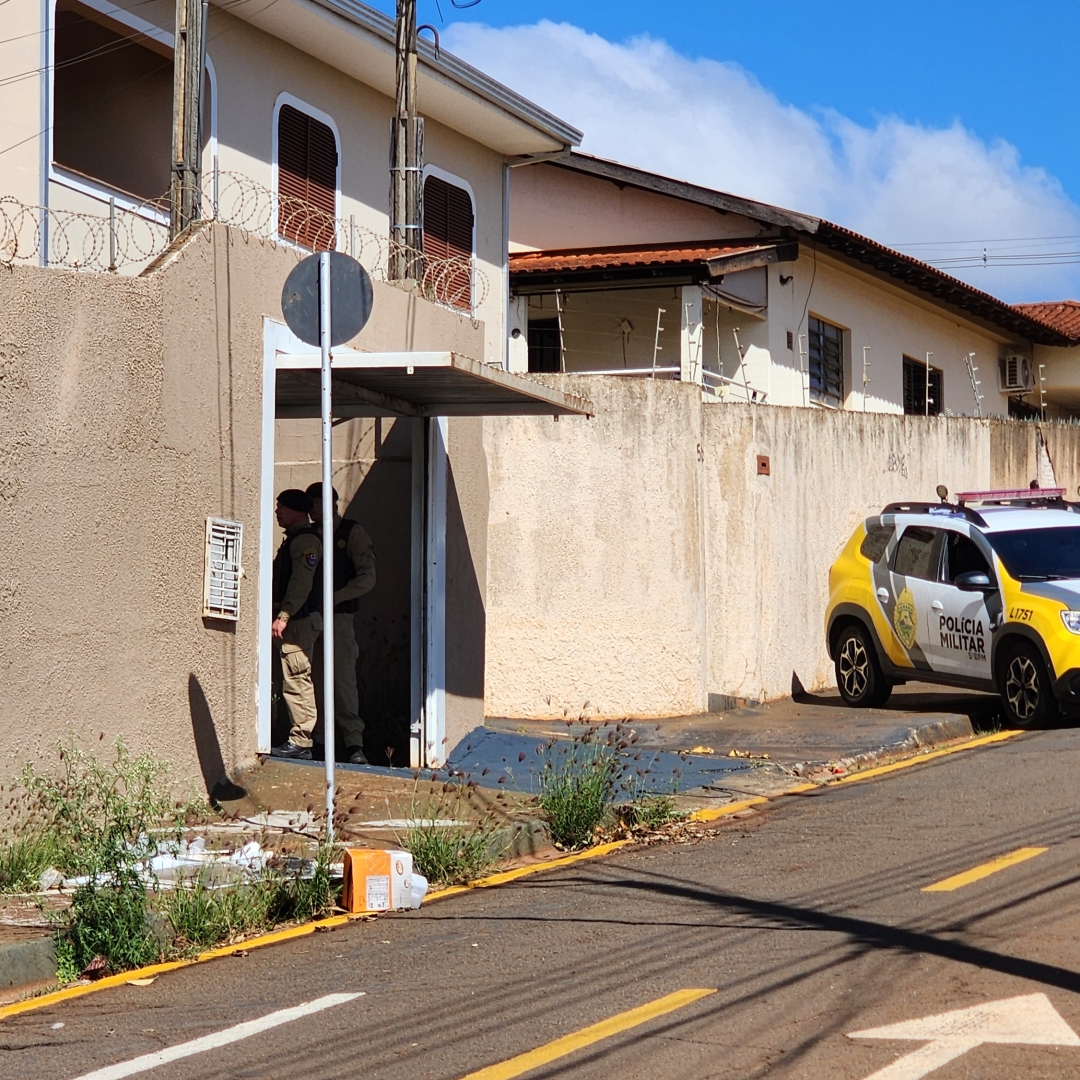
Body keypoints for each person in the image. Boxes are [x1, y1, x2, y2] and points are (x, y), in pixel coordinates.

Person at [306, 482, 377, 764]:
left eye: (314, 505)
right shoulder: (307, 535)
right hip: (311, 619)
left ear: (329, 504)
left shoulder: (351, 533)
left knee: (343, 681)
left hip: (339, 618)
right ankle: (319, 740)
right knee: (313, 681)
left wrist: (334, 598)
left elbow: (367, 577)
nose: (311, 511)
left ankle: (353, 744)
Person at [270, 489, 323, 759]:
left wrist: (284, 615)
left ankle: (301, 740)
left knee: (297, 679)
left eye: (282, 508)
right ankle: (295, 738)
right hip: (295, 621)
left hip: (299, 623)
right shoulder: (294, 540)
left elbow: (301, 583)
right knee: (289, 678)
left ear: (298, 512)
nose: (277, 512)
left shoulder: (304, 542)